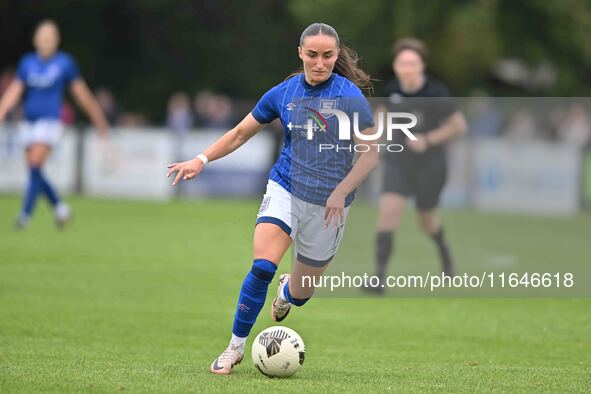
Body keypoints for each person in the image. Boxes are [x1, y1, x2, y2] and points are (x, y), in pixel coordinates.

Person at [166, 22, 378, 375]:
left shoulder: (350, 97)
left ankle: (287, 294)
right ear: (300, 53)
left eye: (327, 56)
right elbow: (238, 134)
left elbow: (370, 154)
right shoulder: (284, 93)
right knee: (263, 265)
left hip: (329, 205)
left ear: (336, 55)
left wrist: (341, 192)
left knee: (302, 293)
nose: (320, 63)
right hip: (286, 188)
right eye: (312, 55)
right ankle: (233, 348)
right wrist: (200, 159)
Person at [370, 38, 467, 291]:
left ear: (422, 65)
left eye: (412, 63)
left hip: (431, 165)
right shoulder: (391, 90)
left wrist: (428, 139)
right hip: (399, 161)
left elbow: (459, 126)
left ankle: (444, 252)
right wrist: (373, 142)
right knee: (388, 213)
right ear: (396, 65)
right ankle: (378, 278)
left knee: (426, 219)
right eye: (402, 62)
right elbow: (381, 119)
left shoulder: (436, 92)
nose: (407, 67)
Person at [0, 19, 108, 228]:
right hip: (28, 123)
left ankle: (25, 215)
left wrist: (98, 117)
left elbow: (81, 93)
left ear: (56, 40)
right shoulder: (27, 63)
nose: (46, 40)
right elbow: (15, 90)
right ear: (35, 40)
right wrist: (2, 110)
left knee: (34, 165)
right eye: (43, 36)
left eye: (50, 37)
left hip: (50, 123)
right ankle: (60, 207)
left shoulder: (64, 63)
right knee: (35, 172)